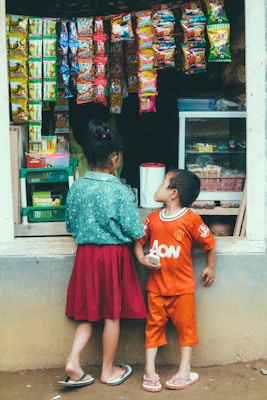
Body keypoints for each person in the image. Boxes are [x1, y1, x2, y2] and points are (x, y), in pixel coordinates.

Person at [58, 119, 147, 388]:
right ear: (115, 158)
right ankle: (108, 371)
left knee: (87, 314)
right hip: (112, 258)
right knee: (111, 315)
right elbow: (134, 230)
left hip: (85, 256)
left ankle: (73, 361)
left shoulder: (76, 188)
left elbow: (70, 225)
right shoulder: (118, 190)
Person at [134, 168, 216, 392]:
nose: (157, 187)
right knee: (152, 328)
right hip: (156, 289)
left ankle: (185, 369)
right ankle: (150, 370)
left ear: (173, 193)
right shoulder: (152, 218)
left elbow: (210, 242)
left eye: (162, 183)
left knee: (186, 329)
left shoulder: (191, 219)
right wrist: (142, 260)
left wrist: (210, 267)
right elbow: (139, 242)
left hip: (183, 290)